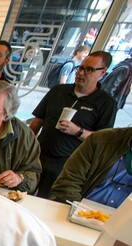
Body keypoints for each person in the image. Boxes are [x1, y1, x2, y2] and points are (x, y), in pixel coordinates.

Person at [30, 51, 117, 199]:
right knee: (22, 195)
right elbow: (38, 121)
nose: (81, 73)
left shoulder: (106, 103)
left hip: (67, 165)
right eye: (80, 68)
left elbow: (103, 140)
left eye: (89, 69)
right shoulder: (58, 91)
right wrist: (26, 146)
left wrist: (78, 131)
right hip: (38, 155)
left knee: (49, 203)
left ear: (102, 72)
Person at [50, 127, 132, 206]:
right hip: (78, 208)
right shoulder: (101, 140)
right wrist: (78, 212)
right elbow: (68, 183)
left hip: (121, 218)